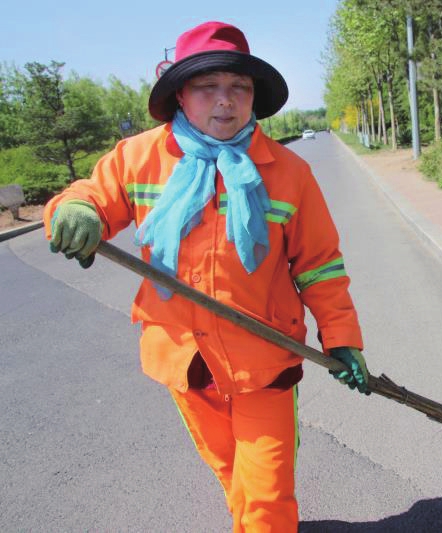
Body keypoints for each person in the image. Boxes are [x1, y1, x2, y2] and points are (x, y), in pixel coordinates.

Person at [44, 21, 370, 532]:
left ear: (254, 98)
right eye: (208, 87)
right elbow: (89, 196)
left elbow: (321, 266)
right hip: (186, 361)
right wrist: (77, 212)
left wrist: (343, 339)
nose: (226, 101)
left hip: (265, 362)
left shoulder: (289, 172)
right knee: (231, 474)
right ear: (181, 94)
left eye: (239, 87)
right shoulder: (139, 157)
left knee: (266, 493)